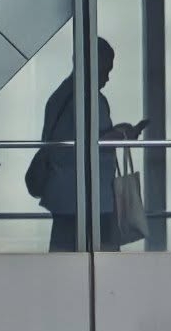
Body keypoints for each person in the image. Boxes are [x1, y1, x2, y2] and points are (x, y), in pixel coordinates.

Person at [29, 37, 145, 252]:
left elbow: (81, 134)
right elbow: (98, 142)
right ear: (94, 64)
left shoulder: (60, 96)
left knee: (63, 259)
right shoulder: (89, 98)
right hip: (91, 196)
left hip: (62, 194)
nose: (107, 78)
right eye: (106, 70)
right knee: (104, 260)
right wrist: (126, 132)